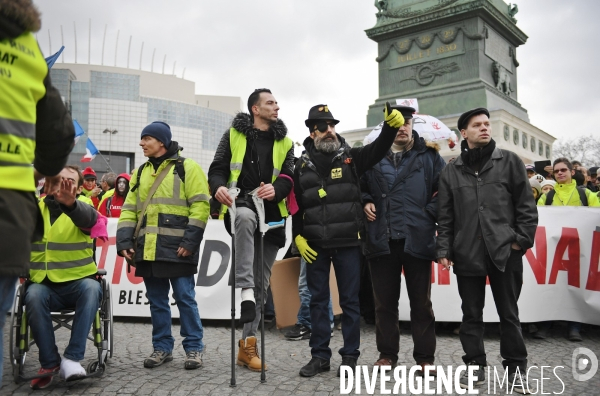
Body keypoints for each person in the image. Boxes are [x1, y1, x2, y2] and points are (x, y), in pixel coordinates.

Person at [293, 103, 404, 377]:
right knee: (317, 302)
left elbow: (378, 149)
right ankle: (319, 356)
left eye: (332, 125)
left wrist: (390, 127)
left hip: (349, 243)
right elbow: (297, 204)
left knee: (350, 302)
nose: (329, 131)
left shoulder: (352, 158)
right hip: (315, 244)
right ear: (312, 131)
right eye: (323, 126)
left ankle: (350, 357)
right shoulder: (300, 165)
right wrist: (297, 235)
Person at [436, 108, 538, 392]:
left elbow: (526, 208)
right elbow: (444, 218)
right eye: (477, 125)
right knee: (471, 315)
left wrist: (520, 241)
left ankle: (516, 371)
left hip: (506, 253)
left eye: (487, 124)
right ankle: (475, 367)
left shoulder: (510, 162)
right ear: (463, 133)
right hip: (466, 253)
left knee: (509, 314)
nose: (484, 128)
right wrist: (444, 248)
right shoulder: (450, 172)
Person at [0, 0, 75, 387]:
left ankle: (68, 359)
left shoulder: (80, 206)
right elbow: (59, 132)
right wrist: (44, 170)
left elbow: (93, 225)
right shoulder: (28, 52)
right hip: (9, 208)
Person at [208, 88, 294, 372]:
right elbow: (217, 168)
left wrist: (277, 188)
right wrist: (218, 186)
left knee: (262, 286)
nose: (276, 107)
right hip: (242, 203)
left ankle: (247, 348)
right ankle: (244, 288)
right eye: (271, 103)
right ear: (256, 109)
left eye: (277, 102)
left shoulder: (286, 142)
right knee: (244, 218)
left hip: (273, 218)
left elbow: (289, 176)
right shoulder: (233, 135)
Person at [117, 121, 209, 370]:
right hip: (148, 249)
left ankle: (194, 348)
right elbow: (128, 210)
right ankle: (162, 348)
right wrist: (124, 241)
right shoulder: (139, 172)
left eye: (146, 138)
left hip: (179, 249)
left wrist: (190, 242)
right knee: (156, 301)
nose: (141, 143)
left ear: (162, 142)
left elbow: (201, 207)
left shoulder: (188, 167)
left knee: (185, 298)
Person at [361, 105, 445, 372]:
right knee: (384, 304)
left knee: (421, 303)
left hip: (416, 238)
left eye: (407, 122)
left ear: (413, 125)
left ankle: (425, 358)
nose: (402, 127)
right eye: (396, 123)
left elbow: (444, 192)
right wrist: (364, 201)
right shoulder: (372, 156)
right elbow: (358, 187)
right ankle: (387, 355)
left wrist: (426, 214)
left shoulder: (430, 157)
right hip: (381, 239)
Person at [26, 166, 103, 389]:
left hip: (78, 282)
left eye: (70, 181)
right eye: (59, 179)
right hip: (43, 282)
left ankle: (71, 359)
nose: (63, 184)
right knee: (32, 295)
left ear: (79, 189)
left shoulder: (87, 206)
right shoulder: (37, 207)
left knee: (91, 289)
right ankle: (49, 363)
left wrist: (70, 204)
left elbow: (89, 222)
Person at [536, 157, 599, 342]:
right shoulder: (546, 197)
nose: (560, 173)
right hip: (552, 251)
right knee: (551, 288)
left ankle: (574, 327)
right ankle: (545, 324)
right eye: (556, 171)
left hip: (580, 250)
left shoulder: (586, 194)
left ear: (572, 172)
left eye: (564, 170)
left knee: (576, 288)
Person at [284, 256, 335, 341]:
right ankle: (326, 323)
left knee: (307, 284)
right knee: (319, 284)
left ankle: (307, 324)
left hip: (310, 245)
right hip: (318, 245)